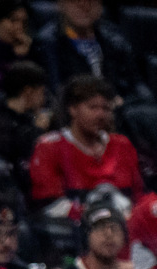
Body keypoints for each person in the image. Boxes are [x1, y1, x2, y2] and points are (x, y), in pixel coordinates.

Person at [28, 76, 144, 220]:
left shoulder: (122, 144)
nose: (101, 115)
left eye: (106, 108)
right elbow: (49, 205)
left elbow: (138, 197)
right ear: (73, 109)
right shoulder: (49, 146)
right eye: (93, 107)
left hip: (124, 228)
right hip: (73, 231)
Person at [0, 61, 49, 196]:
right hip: (4, 186)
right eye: (41, 92)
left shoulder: (29, 117)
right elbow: (13, 150)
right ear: (28, 92)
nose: (44, 99)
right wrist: (38, 131)